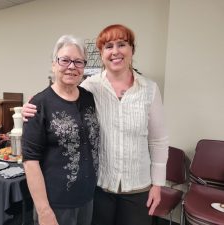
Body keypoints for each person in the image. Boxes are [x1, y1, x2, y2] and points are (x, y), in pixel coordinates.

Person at [22, 24, 168, 225]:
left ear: (132, 49)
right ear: (101, 54)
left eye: (122, 44)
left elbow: (158, 141)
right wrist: (30, 106)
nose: (115, 51)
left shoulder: (149, 89)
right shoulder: (91, 87)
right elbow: (59, 93)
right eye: (108, 46)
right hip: (100, 189)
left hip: (138, 187)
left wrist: (158, 184)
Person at [22, 35, 100, 225]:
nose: (72, 66)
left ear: (84, 67)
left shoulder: (89, 98)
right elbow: (30, 161)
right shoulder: (39, 104)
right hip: (55, 204)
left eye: (78, 61)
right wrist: (44, 211)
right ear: (54, 64)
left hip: (87, 198)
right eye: (65, 60)